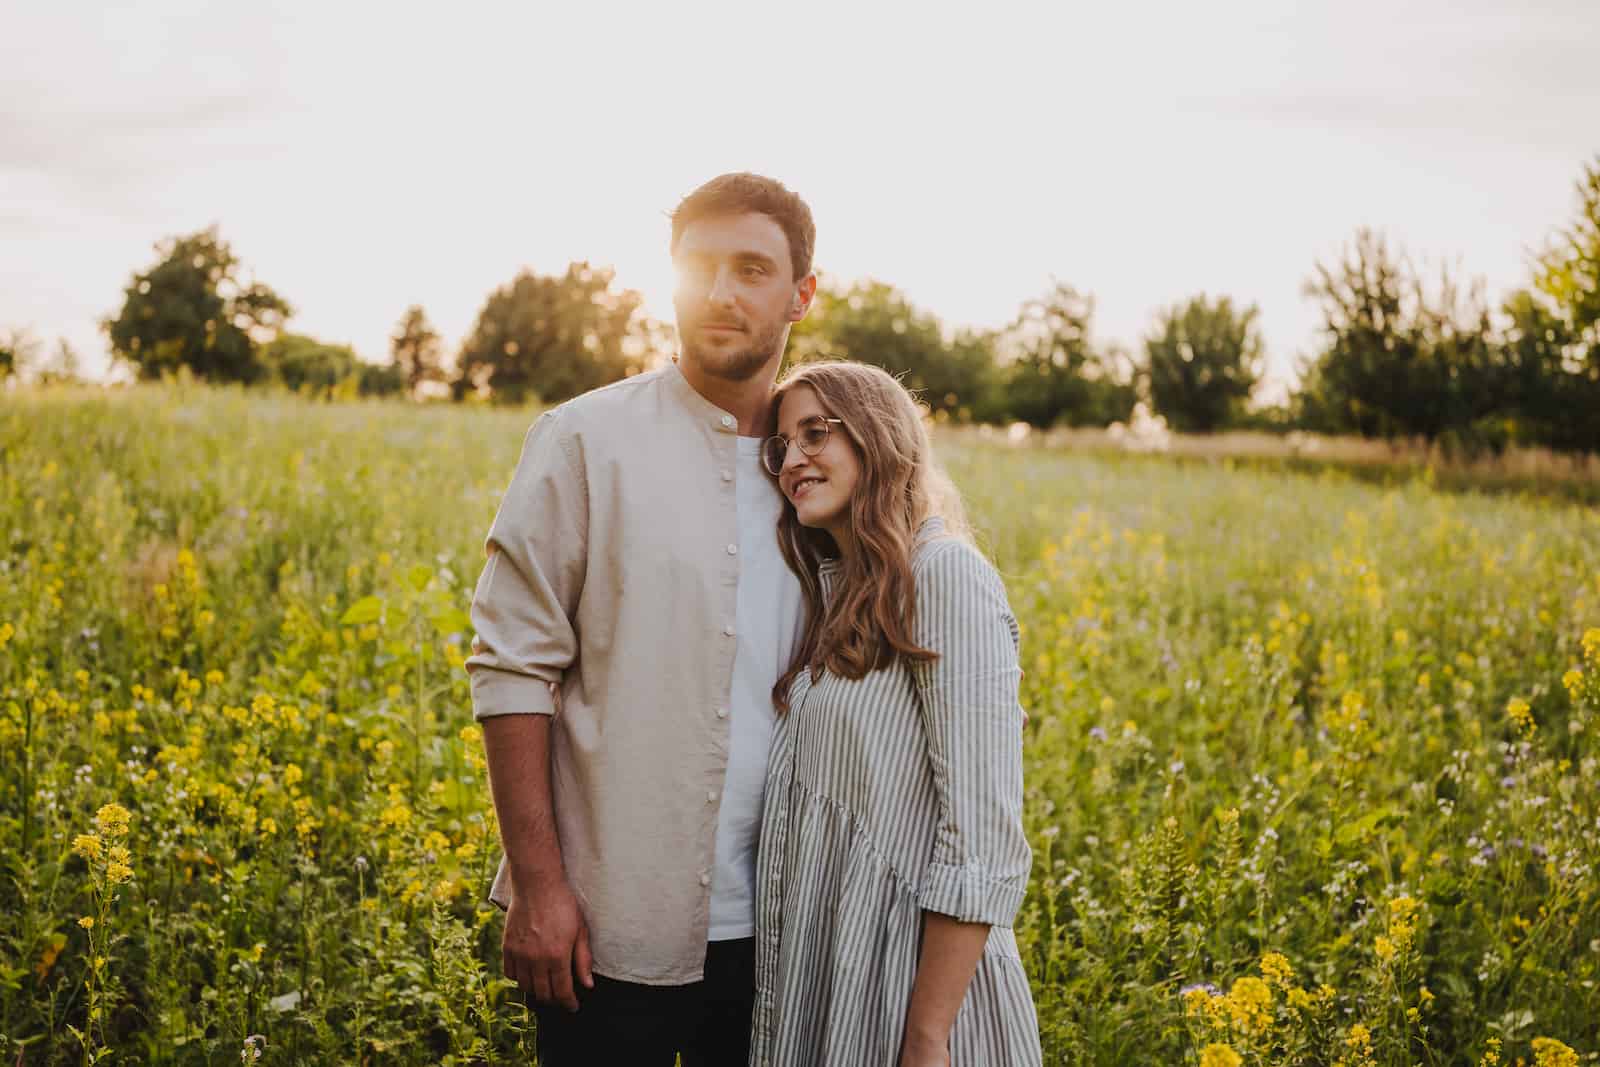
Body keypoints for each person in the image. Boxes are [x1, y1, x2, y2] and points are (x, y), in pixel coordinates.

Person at [464, 172, 817, 1065]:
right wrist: (540, 889)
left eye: (752, 268)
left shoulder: (829, 470)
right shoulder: (584, 441)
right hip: (605, 926)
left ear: (801, 295)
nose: (722, 293)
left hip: (789, 929)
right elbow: (512, 669)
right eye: (700, 266)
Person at [750, 361, 1043, 1066]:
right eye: (782, 445)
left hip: (912, 992)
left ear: (877, 436)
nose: (793, 459)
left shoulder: (945, 574)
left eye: (815, 432)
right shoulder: (837, 595)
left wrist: (926, 1037)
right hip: (834, 974)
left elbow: (982, 841)